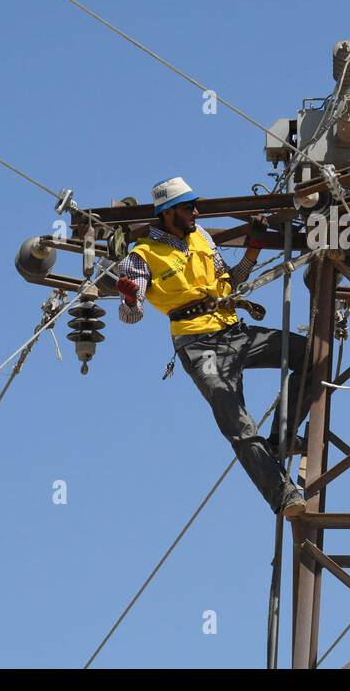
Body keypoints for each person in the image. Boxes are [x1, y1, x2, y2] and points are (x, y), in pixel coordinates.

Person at [115, 176, 310, 519]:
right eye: (189, 206)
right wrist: (131, 297)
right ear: (168, 212)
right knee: (236, 420)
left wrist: (253, 247)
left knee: (310, 354)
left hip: (233, 332)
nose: (196, 211)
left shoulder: (201, 237)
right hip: (197, 343)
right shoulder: (142, 256)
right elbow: (131, 316)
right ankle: (284, 496)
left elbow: (232, 281)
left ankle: (283, 436)